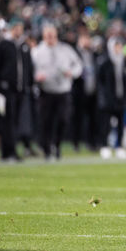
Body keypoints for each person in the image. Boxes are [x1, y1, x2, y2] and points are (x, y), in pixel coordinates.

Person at [32, 24, 83, 161]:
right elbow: (31, 69)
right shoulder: (37, 52)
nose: (50, 38)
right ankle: (47, 149)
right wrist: (37, 77)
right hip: (46, 90)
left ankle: (57, 144)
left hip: (63, 91)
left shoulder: (65, 49)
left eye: (52, 35)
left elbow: (78, 64)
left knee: (63, 119)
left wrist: (71, 73)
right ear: (43, 36)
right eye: (48, 36)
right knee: (45, 121)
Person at [0, 19, 36, 161]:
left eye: (20, 28)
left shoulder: (24, 46)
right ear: (11, 29)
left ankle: (8, 151)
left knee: (15, 120)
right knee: (8, 120)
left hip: (21, 89)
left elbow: (29, 67)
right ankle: (9, 151)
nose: (18, 31)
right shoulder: (4, 45)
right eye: (16, 28)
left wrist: (30, 84)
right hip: (7, 88)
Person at [96, 36, 126, 159]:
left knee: (121, 124)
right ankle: (105, 146)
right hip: (108, 99)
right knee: (106, 124)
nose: (118, 49)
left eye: (120, 46)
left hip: (120, 98)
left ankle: (119, 147)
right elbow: (100, 82)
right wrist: (103, 97)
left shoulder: (125, 62)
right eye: (116, 46)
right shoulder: (105, 61)